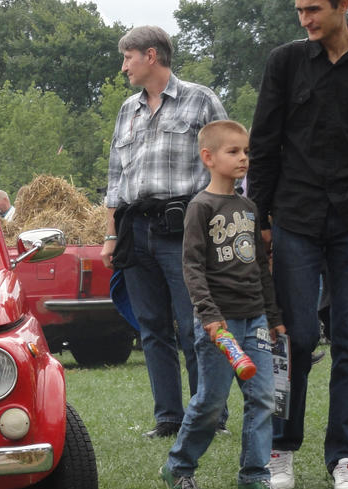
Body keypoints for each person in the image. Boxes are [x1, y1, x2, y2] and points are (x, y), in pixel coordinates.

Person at [101, 25, 228, 439]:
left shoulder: (200, 99)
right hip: (135, 229)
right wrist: (110, 235)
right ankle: (168, 419)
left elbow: (227, 161)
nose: (124, 67)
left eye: (128, 58)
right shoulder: (127, 110)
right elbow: (115, 177)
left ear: (151, 56)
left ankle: (209, 416)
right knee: (152, 327)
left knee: (194, 326)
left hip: (184, 228)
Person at [248, 0, 348, 489]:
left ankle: (345, 457)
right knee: (297, 338)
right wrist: (258, 218)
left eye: (313, 9)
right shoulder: (285, 62)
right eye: (299, 10)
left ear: (343, 5)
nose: (305, 19)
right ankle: (281, 449)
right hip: (295, 216)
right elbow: (263, 141)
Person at [160, 120, 286, 489]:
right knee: (211, 401)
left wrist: (274, 317)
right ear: (208, 158)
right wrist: (209, 315)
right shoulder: (200, 207)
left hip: (257, 319)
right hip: (220, 323)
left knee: (263, 398)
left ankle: (254, 476)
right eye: (234, 152)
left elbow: (261, 268)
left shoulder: (249, 208)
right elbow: (192, 268)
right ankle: (179, 466)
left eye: (246, 151)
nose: (243, 158)